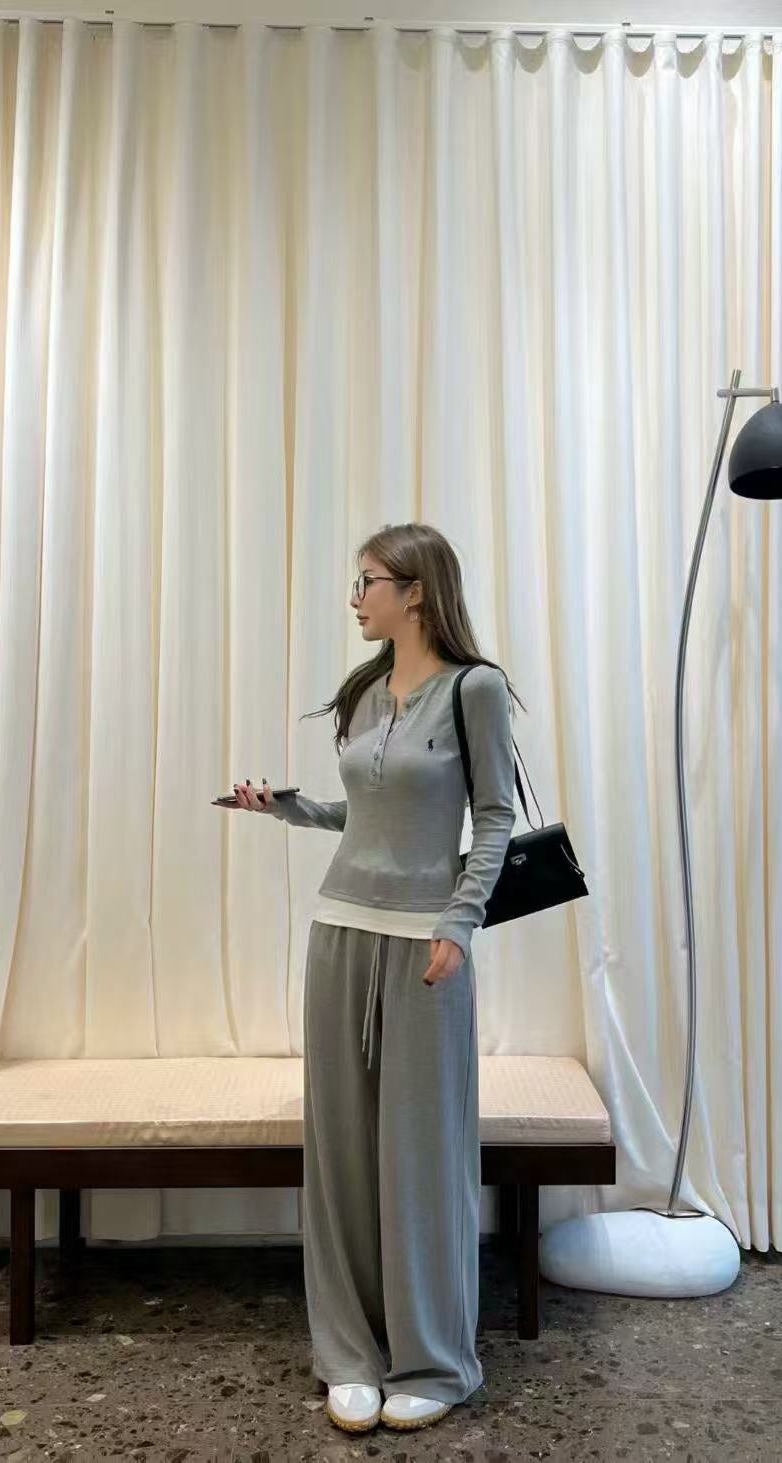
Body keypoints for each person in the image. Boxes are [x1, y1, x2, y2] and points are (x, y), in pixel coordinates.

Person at [234, 522, 523, 1435]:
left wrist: (460, 919)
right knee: (343, 1152)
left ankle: (432, 1358)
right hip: (341, 930)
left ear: (416, 590)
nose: (355, 597)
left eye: (368, 580)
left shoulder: (475, 689)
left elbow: (494, 817)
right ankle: (350, 1354)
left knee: (422, 1152)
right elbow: (362, 810)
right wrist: (286, 808)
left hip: (425, 944)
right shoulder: (363, 691)